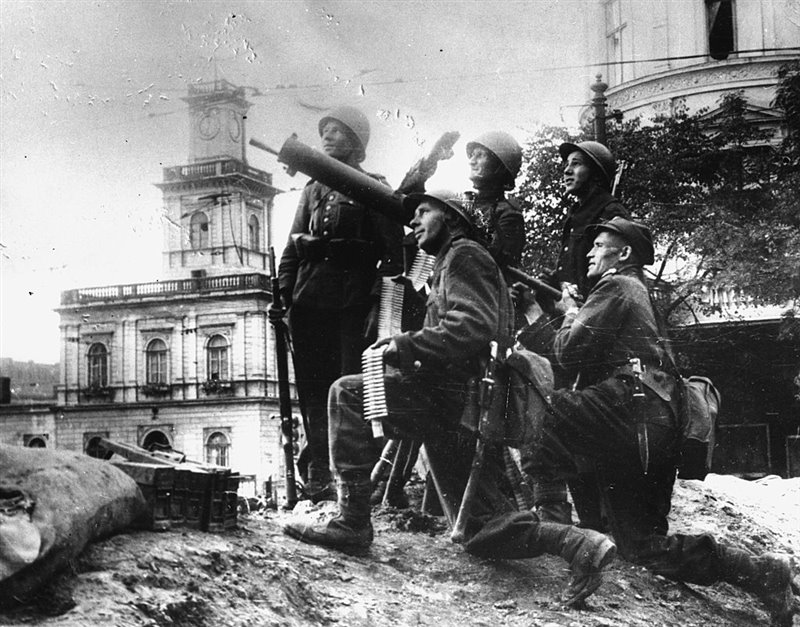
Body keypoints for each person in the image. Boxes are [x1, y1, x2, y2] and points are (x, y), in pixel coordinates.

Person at [283, 190, 617, 608]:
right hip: (466, 404)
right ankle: (582, 545)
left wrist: (404, 346)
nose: (414, 221)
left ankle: (352, 521)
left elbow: (471, 327)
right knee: (483, 531)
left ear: (453, 218)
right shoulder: (454, 259)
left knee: (347, 393)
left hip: (451, 399)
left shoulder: (463, 255)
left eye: (424, 212)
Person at [525, 216, 797, 626]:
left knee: (540, 407)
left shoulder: (616, 286)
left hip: (631, 408)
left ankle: (557, 534)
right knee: (641, 546)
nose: (590, 252)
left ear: (624, 253)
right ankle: (761, 571)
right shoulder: (640, 293)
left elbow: (566, 355)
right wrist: (567, 312)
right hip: (657, 423)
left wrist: (558, 312)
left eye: (598, 245)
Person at [278, 105, 404, 502]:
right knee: (313, 388)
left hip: (352, 302)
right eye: (325, 130)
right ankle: (318, 472)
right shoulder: (312, 189)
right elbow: (292, 248)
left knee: (349, 387)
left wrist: (377, 305)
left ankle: (352, 475)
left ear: (355, 142)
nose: (327, 136)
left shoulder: (373, 187)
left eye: (336, 131)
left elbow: (393, 257)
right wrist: (283, 294)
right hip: (309, 299)